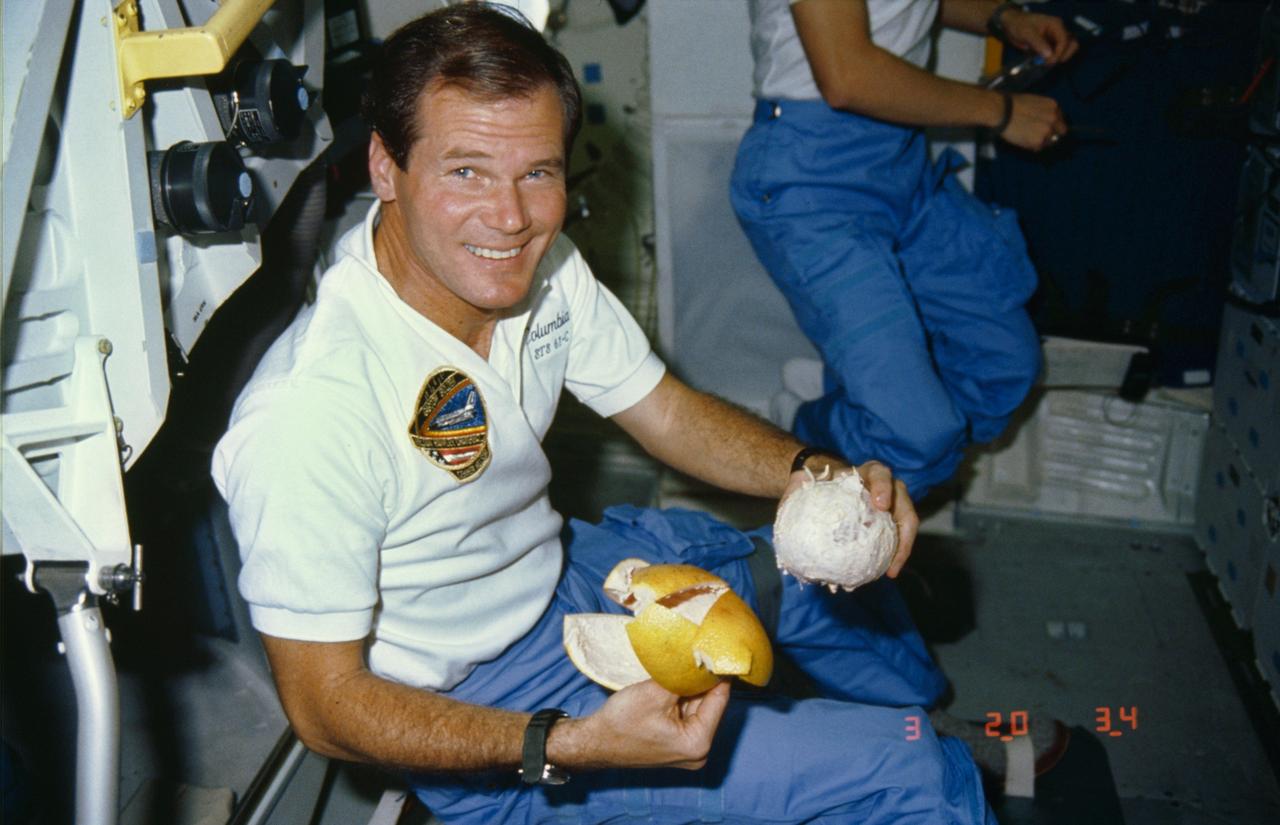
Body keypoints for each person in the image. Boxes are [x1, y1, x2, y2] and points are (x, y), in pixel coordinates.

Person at [212, 5, 1030, 822]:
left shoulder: (537, 267)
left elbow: (666, 412)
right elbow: (324, 706)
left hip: (568, 574)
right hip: (498, 712)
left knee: (829, 584)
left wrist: (816, 474)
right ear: (385, 168)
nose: (511, 218)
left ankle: (921, 713)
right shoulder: (310, 410)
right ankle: (921, 753)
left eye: (537, 172)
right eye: (466, 171)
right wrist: (565, 743)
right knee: (923, 780)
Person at [730, 0, 1080, 500]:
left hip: (900, 160)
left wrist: (1000, 18)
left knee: (1002, 367)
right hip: (812, 177)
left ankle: (863, 414)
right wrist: (1000, 113)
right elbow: (847, 76)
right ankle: (810, 430)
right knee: (916, 437)